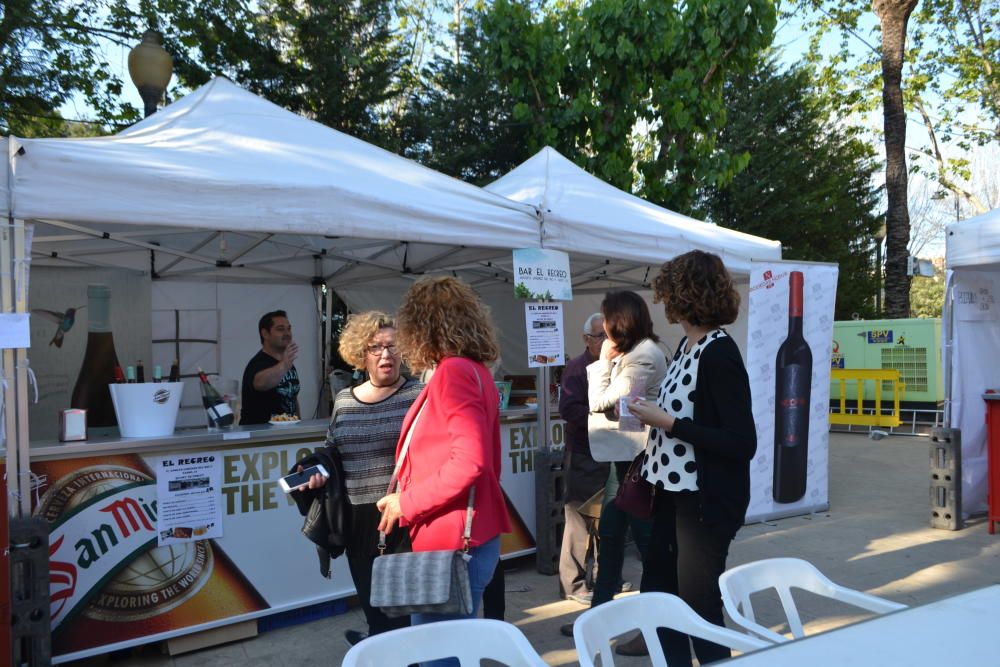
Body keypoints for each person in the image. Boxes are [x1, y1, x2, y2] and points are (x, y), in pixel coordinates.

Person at [628, 250, 757, 666]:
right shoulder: (687, 344)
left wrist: (669, 423)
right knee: (659, 598)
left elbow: (741, 442)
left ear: (685, 294)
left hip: (703, 501)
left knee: (699, 605)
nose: (662, 302)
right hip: (670, 494)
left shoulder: (719, 353)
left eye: (667, 293)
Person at [376, 277, 511, 641]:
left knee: (439, 652)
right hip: (468, 538)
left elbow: (469, 461)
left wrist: (407, 501)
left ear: (421, 326)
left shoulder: (454, 372)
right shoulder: (474, 370)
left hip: (452, 543)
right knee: (451, 648)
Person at [303, 311, 422, 646]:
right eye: (375, 347)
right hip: (357, 522)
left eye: (393, 346)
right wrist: (318, 475)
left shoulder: (418, 397)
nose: (386, 354)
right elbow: (332, 452)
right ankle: (376, 644)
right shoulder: (344, 401)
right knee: (374, 608)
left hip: (402, 520)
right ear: (360, 354)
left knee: (403, 614)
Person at [576, 290, 669, 655]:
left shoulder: (643, 355)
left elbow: (600, 401)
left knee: (649, 547)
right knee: (611, 535)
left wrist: (601, 360)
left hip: (640, 462)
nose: (603, 332)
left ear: (619, 322)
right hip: (627, 460)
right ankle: (598, 620)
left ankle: (654, 629)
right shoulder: (636, 353)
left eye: (606, 322)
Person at [557, 313, 611, 605]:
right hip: (584, 452)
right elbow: (569, 410)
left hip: (610, 453)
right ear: (586, 339)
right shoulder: (577, 368)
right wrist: (603, 418)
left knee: (607, 521)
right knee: (579, 522)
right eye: (600, 336)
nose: (606, 341)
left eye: (609, 335)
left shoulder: (615, 364)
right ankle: (573, 584)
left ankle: (605, 577)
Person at [240, 310, 300, 424]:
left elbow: (293, 399)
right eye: (280, 329)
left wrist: (298, 425)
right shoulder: (258, 363)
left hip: (287, 434)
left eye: (289, 328)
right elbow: (261, 383)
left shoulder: (287, 363)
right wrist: (285, 364)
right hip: (262, 437)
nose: (287, 333)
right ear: (265, 334)